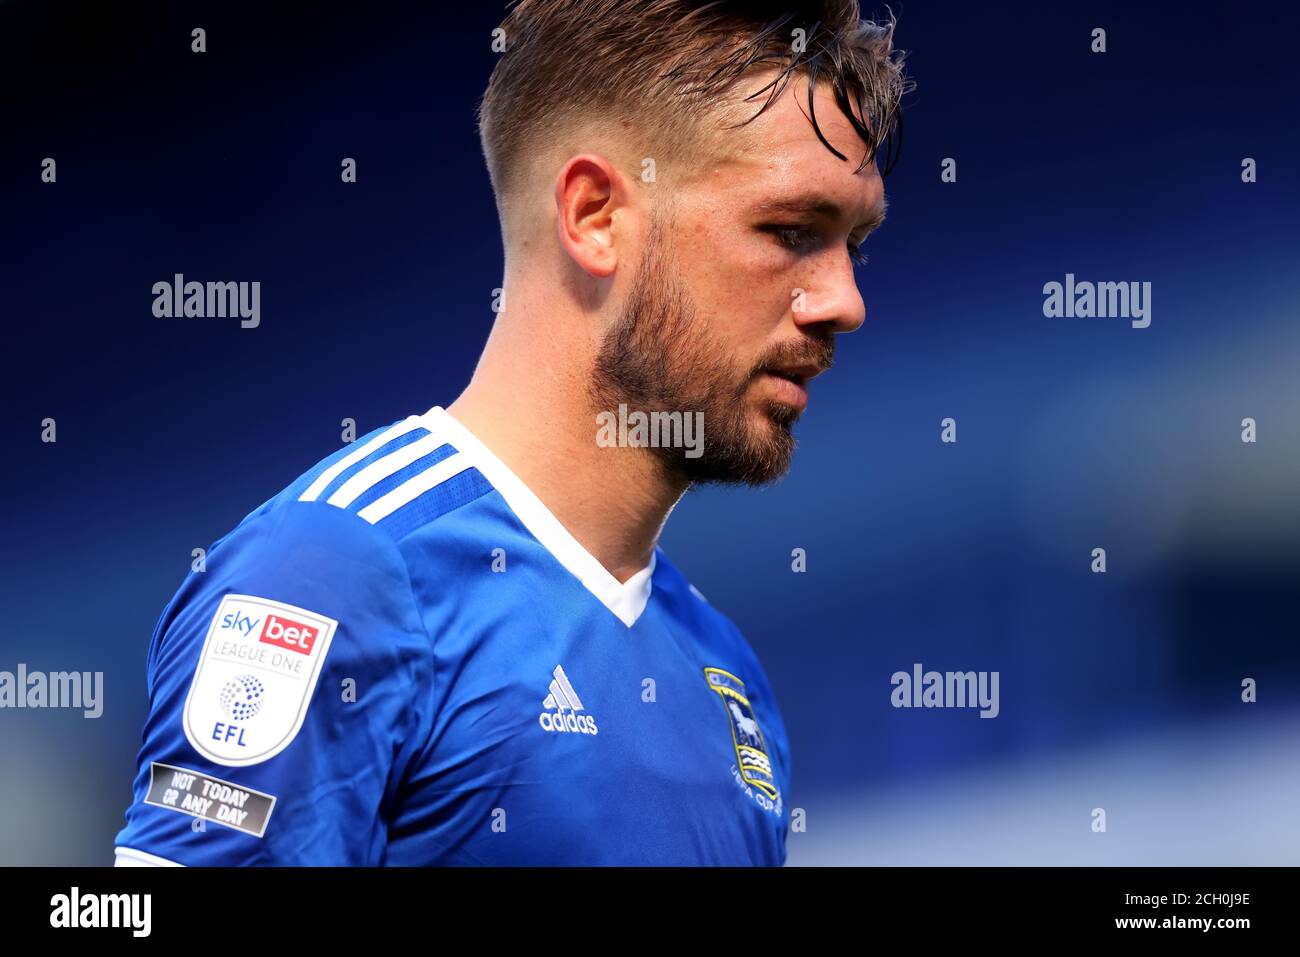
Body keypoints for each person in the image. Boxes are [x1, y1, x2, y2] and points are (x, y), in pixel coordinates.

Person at [113, 0, 909, 866]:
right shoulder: (337, 574)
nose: (845, 302)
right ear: (596, 215)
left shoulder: (730, 684)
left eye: (853, 246)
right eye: (792, 232)